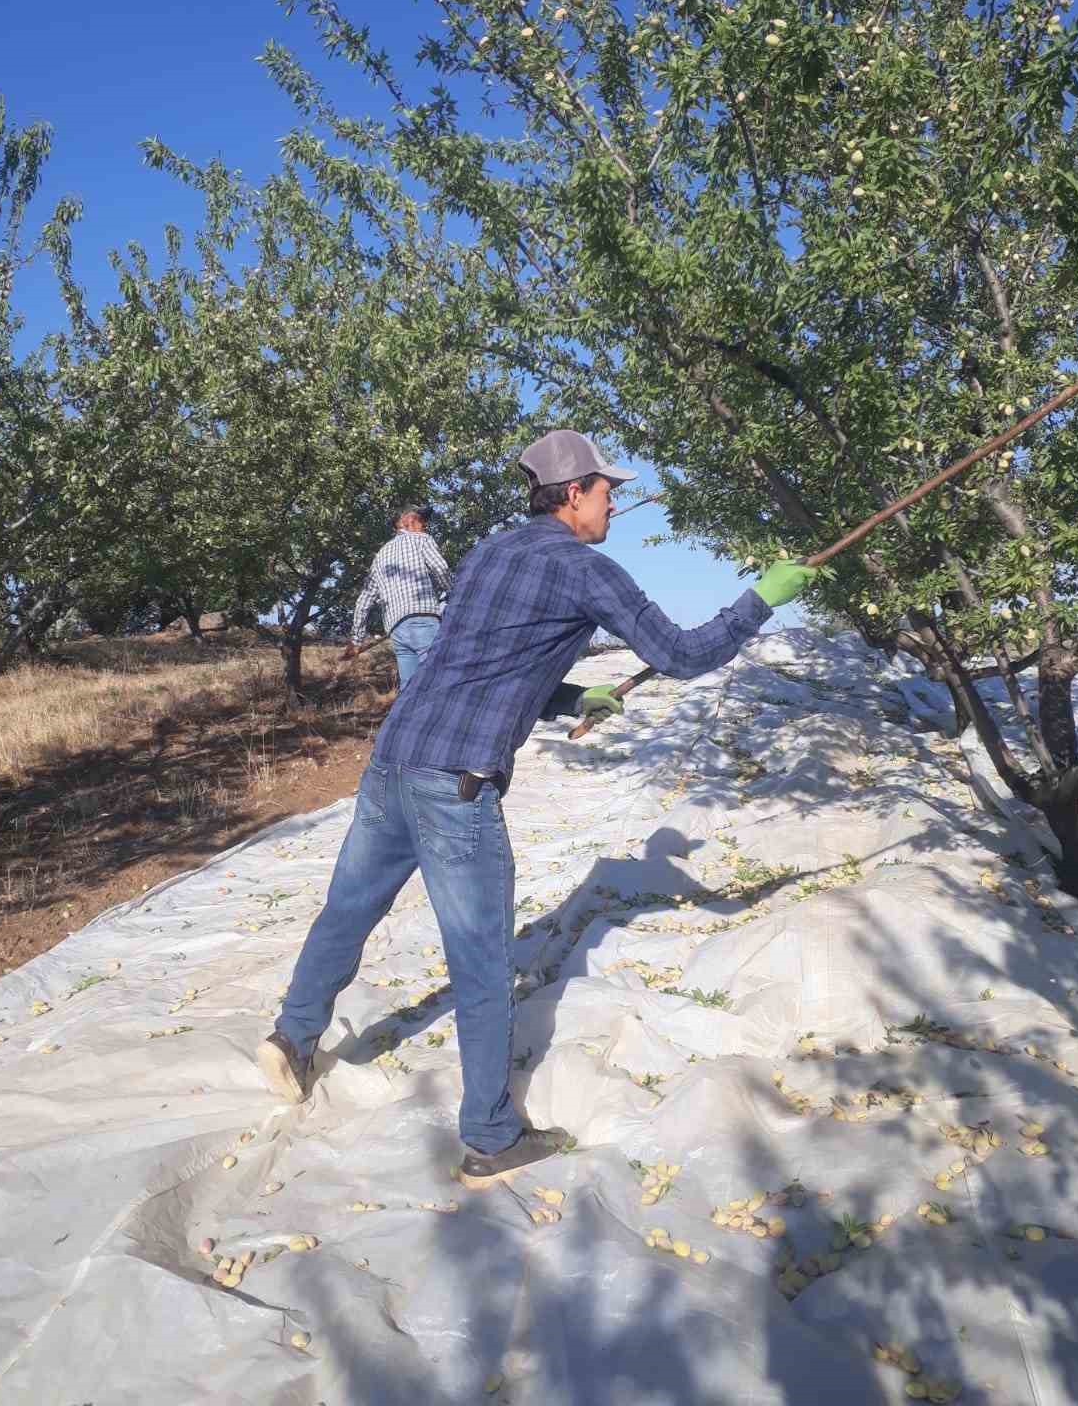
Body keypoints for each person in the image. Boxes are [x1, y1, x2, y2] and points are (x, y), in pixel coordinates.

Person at [259, 430, 817, 1188]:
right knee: (484, 958)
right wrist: (760, 600)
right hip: (456, 780)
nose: (614, 505)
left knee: (349, 908)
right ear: (574, 493)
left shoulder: (491, 552)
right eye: (607, 492)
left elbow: (478, 662)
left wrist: (566, 698)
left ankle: (293, 1037)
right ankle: (491, 1135)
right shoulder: (587, 570)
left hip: (394, 759)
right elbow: (682, 655)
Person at [343, 504, 452, 686]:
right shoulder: (421, 540)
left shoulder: (380, 556)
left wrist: (356, 640)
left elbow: (363, 601)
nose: (425, 525)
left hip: (397, 630)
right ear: (409, 521)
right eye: (422, 521)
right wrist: (455, 594)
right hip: (422, 620)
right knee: (438, 678)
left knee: (409, 687)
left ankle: (405, 715)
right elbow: (441, 569)